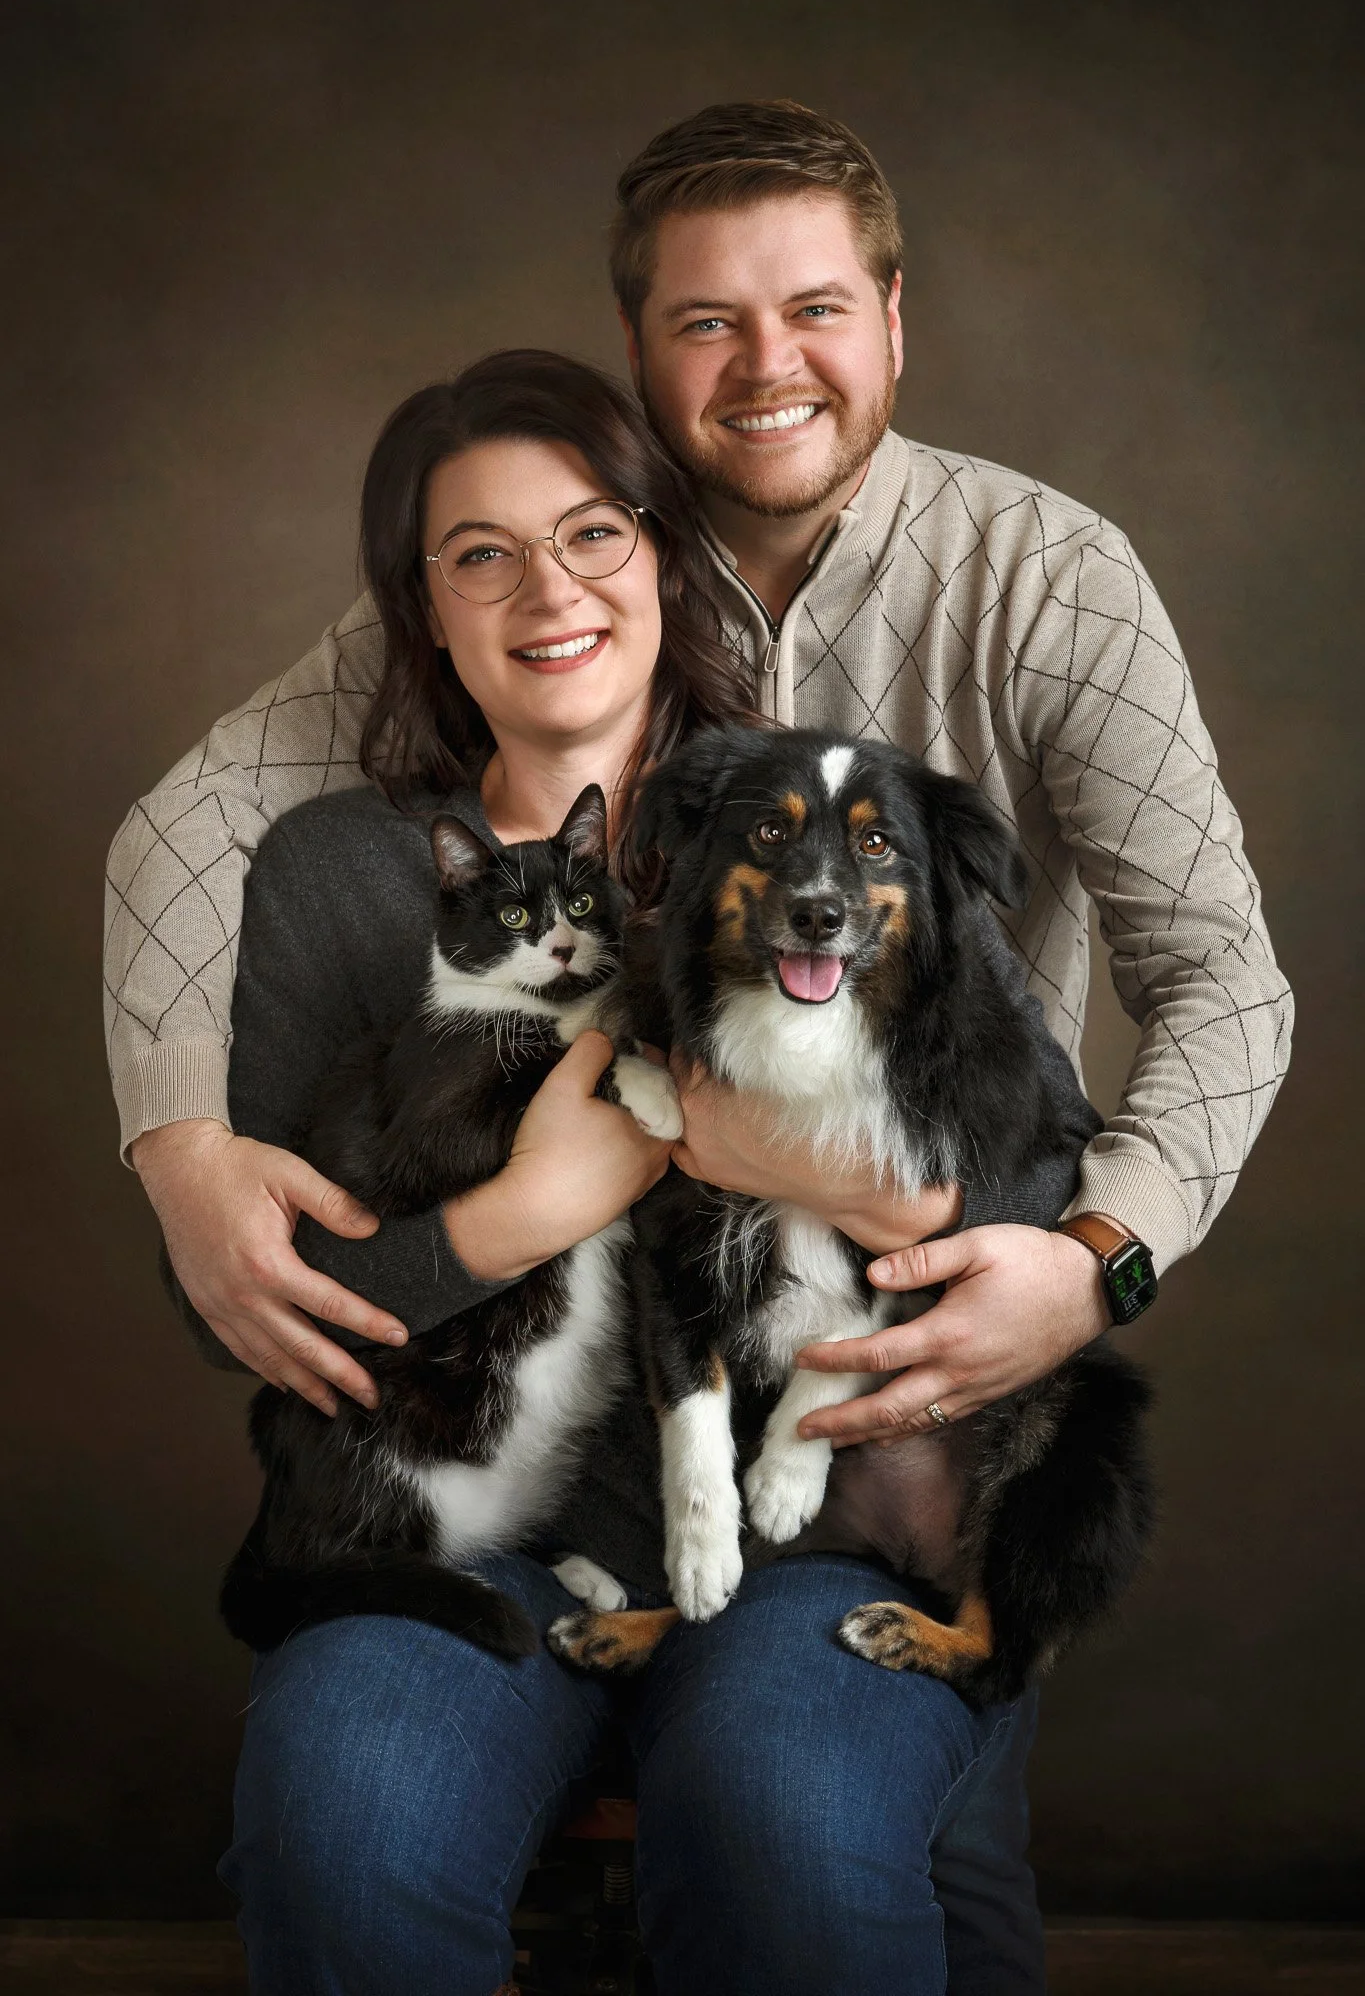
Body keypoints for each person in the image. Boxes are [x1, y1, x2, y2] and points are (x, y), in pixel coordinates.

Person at [105, 101, 1291, 1985]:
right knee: (347, 1828)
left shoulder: (1042, 581)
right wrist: (177, 1145)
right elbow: (187, 824)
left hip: (884, 1387)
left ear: (895, 319)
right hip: (517, 1487)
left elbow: (1221, 976)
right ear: (642, 377)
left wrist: (1088, 1259)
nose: (767, 368)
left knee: (816, 1850)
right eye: (704, 325)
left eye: (814, 307)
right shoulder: (517, 613)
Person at [192, 349, 1068, 1994]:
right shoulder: (336, 877)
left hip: (802, 1533)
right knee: (341, 1824)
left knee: (798, 1839)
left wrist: (849, 1181)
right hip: (465, 1529)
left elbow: (1040, 1183)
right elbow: (256, 1301)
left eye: (595, 533)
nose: (549, 591)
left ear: (663, 553)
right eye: (480, 555)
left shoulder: (810, 812)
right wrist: (527, 1209)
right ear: (420, 605)